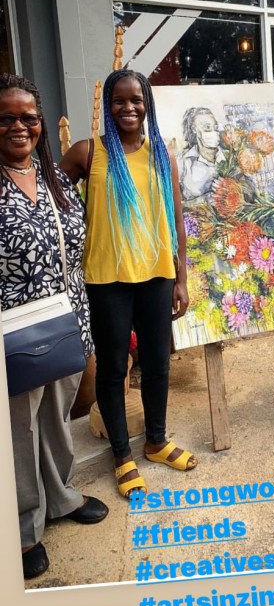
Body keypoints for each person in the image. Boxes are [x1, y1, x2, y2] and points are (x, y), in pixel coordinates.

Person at [60, 69, 197, 500]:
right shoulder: (88, 153)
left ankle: (156, 441)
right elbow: (52, 197)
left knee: (157, 363)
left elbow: (176, 220)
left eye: (136, 99)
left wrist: (181, 278)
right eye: (119, 100)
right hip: (107, 279)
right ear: (109, 105)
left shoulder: (161, 154)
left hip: (156, 274)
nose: (128, 107)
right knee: (114, 367)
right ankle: (122, 455)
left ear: (147, 104)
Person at [0, 73, 109, 580]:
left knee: (57, 417)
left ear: (41, 123)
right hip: (14, 330)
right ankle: (24, 526)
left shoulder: (55, 178)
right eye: (6, 118)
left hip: (67, 320)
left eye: (28, 117)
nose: (18, 127)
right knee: (18, 430)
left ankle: (61, 496)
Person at [177, 106, 223, 204]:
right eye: (207, 128)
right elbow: (173, 204)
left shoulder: (229, 157)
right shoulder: (183, 162)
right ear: (194, 129)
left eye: (215, 128)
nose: (213, 132)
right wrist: (203, 200)